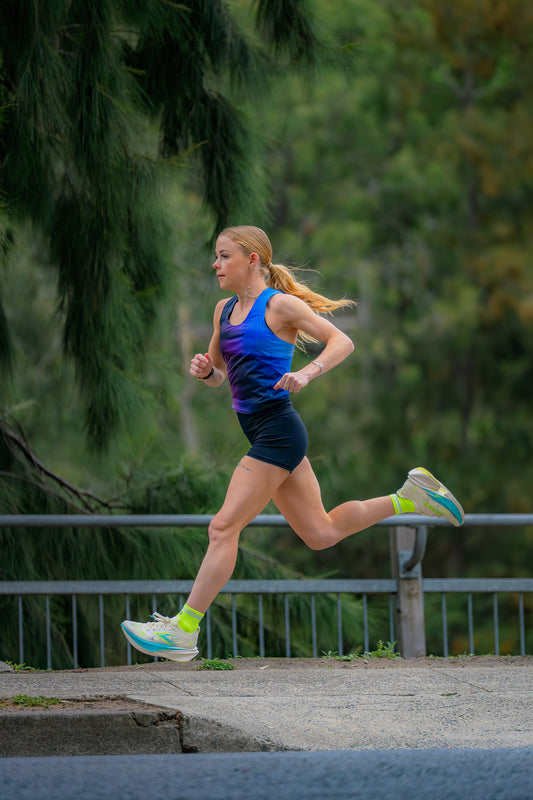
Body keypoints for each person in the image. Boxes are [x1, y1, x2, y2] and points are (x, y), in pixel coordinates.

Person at [121, 225, 464, 662]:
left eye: (224, 256)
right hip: (264, 432)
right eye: (216, 256)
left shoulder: (280, 305)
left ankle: (183, 630)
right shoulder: (223, 310)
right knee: (322, 533)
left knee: (222, 528)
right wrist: (207, 371)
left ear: (252, 260)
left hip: (277, 432)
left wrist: (307, 372)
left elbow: (342, 341)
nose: (215, 264)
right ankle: (410, 498)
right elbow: (221, 375)